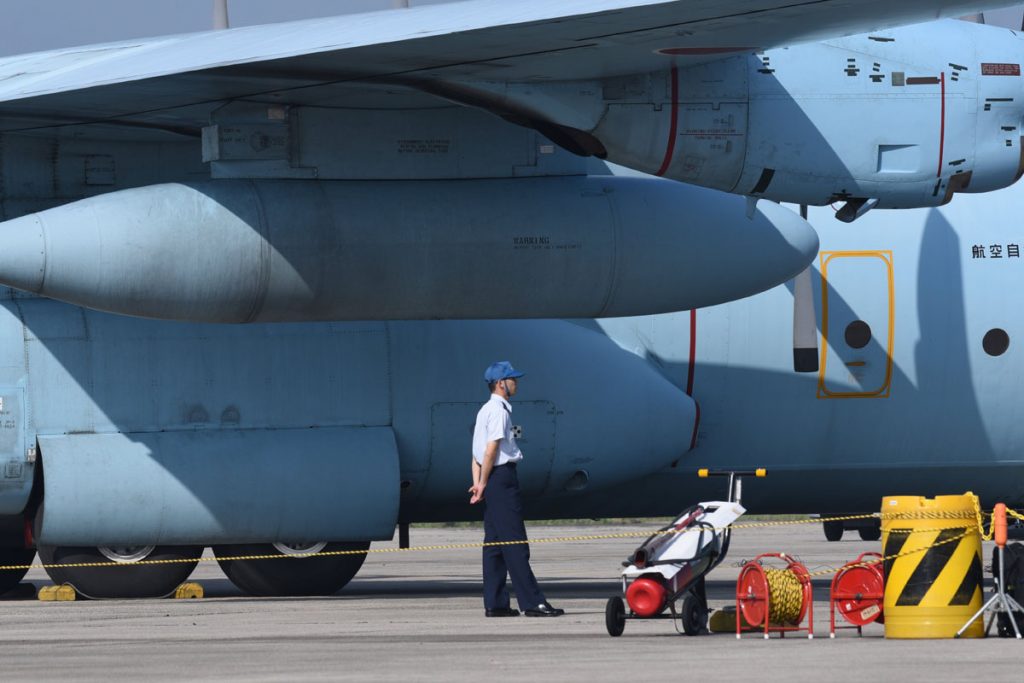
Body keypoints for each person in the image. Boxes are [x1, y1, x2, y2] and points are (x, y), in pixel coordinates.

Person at [468, 361, 564, 618]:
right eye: (512, 379)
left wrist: (478, 483)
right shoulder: (499, 411)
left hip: (489, 480)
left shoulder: (483, 411)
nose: (516, 383)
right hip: (500, 479)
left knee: (495, 545)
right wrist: (486, 483)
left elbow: (475, 455)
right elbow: (491, 449)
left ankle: (496, 603)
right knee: (515, 542)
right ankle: (533, 602)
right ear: (501, 383)